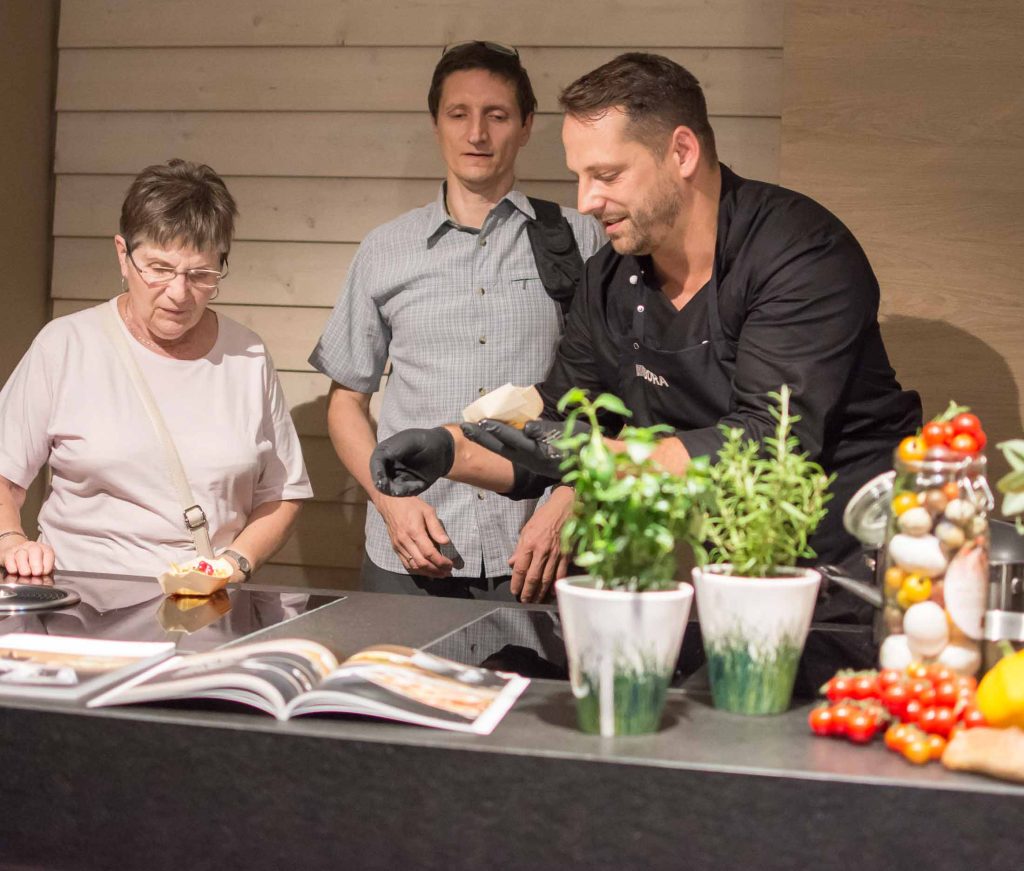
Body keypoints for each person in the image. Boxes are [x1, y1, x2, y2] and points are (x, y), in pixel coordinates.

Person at [370, 52, 923, 602]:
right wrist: (450, 450)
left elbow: (768, 442)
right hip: (735, 563)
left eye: (606, 175)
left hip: (858, 559)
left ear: (681, 151)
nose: (586, 201)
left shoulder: (798, 253)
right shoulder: (608, 277)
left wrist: (594, 456)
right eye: (579, 178)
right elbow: (556, 417)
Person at [308, 41, 603, 601]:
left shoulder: (580, 238)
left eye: (497, 115)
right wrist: (389, 500)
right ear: (435, 123)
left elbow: (616, 393)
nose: (477, 134)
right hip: (415, 552)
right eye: (459, 114)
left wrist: (570, 498)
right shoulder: (385, 250)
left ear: (526, 125)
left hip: (542, 553)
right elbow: (346, 401)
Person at [0, 159, 312, 587]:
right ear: (123, 255)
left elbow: (282, 493)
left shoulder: (247, 354)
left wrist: (235, 563)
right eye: (160, 269)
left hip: (203, 605)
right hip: (81, 600)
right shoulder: (66, 345)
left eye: (201, 274)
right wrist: (11, 540)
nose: (179, 293)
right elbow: (4, 473)